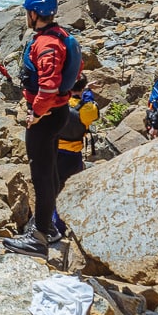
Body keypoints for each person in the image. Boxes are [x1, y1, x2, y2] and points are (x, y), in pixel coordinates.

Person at [2, 0, 80, 259]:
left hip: (46, 117)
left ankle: (40, 237)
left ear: (34, 14)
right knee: (49, 171)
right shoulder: (61, 35)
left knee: (42, 176)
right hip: (58, 113)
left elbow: (48, 87)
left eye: (27, 12)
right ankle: (48, 228)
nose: (26, 16)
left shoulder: (46, 44)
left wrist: (35, 113)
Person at [52, 76, 99, 237]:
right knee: (68, 191)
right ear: (82, 87)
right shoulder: (88, 110)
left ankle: (50, 225)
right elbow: (92, 107)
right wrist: (87, 91)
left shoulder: (58, 104)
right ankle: (61, 225)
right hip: (73, 155)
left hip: (54, 151)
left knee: (52, 189)